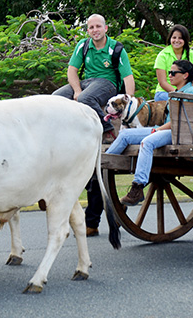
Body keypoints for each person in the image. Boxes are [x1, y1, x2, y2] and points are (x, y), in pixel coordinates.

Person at [53, 13, 136, 236]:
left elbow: (128, 80)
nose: (95, 30)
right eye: (91, 27)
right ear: (88, 30)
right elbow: (72, 71)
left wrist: (128, 106)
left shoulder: (116, 49)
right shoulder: (83, 45)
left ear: (106, 28)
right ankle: (58, 137)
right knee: (54, 99)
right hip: (86, 83)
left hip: (106, 84)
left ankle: (107, 130)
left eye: (98, 26)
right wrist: (77, 90)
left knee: (87, 99)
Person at [105, 59, 193, 206]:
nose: (170, 76)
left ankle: (138, 187)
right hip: (167, 130)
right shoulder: (176, 93)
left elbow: (179, 123)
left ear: (185, 75)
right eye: (169, 72)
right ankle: (104, 162)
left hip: (178, 134)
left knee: (147, 142)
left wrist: (157, 130)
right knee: (124, 135)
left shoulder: (189, 94)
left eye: (173, 73)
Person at [153, 24, 193, 101]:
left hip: (186, 92)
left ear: (185, 40)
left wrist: (185, 94)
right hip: (164, 93)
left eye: (180, 38)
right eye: (174, 37)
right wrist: (177, 94)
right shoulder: (162, 55)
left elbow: (192, 81)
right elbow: (162, 82)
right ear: (170, 39)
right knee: (176, 101)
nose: (177, 40)